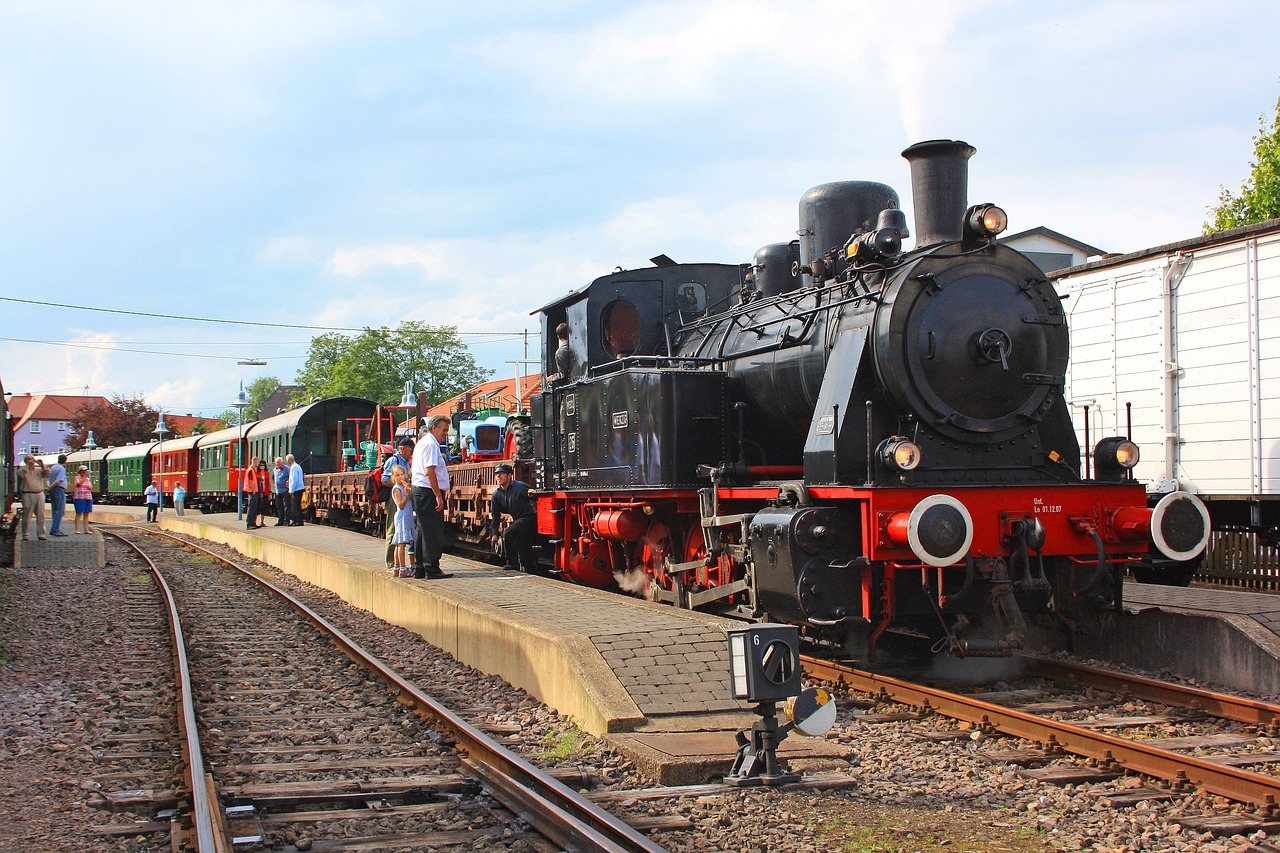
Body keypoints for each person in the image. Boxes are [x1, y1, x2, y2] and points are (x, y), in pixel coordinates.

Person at [410, 414, 453, 579]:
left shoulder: (423, 442)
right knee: (432, 531)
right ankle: (431, 568)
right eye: (444, 430)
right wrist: (438, 496)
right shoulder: (431, 444)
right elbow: (430, 471)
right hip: (427, 491)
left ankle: (419, 568)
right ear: (434, 428)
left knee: (422, 530)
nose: (445, 434)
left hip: (420, 490)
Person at [490, 462, 540, 574]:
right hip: (518, 521)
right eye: (497, 474)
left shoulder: (520, 486)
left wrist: (532, 494)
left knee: (508, 533)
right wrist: (494, 533)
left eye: (501, 474)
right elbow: (495, 515)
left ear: (509, 476)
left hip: (529, 518)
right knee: (524, 551)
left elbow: (535, 496)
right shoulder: (496, 494)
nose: (498, 476)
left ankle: (511, 563)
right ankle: (533, 572)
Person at [381, 437, 414, 568]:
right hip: (396, 497)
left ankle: (398, 564)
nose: (411, 453)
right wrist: (401, 484)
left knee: (401, 532)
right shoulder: (394, 460)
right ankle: (391, 563)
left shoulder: (405, 462)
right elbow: (384, 480)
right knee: (393, 529)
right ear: (402, 449)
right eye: (410, 450)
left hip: (404, 496)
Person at [389, 464, 415, 577]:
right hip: (402, 516)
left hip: (406, 515)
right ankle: (403, 568)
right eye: (397, 475)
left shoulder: (403, 486)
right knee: (401, 543)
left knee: (399, 543)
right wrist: (407, 494)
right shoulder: (397, 489)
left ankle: (397, 567)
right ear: (393, 477)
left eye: (402, 474)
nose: (400, 477)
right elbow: (400, 504)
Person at [16, 454, 49, 540]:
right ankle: (25, 534)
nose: (31, 461)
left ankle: (41, 534)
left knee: (41, 515)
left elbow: (46, 473)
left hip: (39, 493)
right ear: (25, 461)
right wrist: (28, 466)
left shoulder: (38, 470)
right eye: (29, 459)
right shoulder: (22, 470)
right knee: (27, 515)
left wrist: (42, 465)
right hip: (28, 494)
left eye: (32, 459)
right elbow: (21, 475)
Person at [48, 454, 68, 536]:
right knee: (60, 510)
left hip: (53, 490)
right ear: (65, 461)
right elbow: (58, 481)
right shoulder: (61, 468)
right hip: (59, 489)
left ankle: (55, 528)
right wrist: (51, 487)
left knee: (55, 510)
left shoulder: (53, 467)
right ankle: (55, 529)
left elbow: (49, 479)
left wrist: (50, 488)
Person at [286, 453, 306, 526]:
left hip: (296, 489)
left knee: (295, 506)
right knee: (296, 505)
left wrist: (291, 489)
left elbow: (294, 479)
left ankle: (298, 521)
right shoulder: (297, 466)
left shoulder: (294, 467)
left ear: (289, 460)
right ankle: (295, 520)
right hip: (299, 488)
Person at [73, 465, 93, 534]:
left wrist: (87, 487)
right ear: (80, 472)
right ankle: (77, 529)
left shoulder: (88, 479)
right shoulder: (77, 478)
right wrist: (85, 478)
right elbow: (79, 484)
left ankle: (86, 529)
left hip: (88, 497)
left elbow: (90, 487)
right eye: (83, 472)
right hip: (79, 497)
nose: (84, 473)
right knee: (79, 513)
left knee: (86, 513)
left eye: (85, 472)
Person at [243, 456, 262, 528]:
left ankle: (253, 523)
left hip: (253, 491)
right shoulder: (251, 470)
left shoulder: (252, 470)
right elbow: (251, 481)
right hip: (252, 491)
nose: (258, 463)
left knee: (254, 507)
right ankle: (249, 523)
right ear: (255, 461)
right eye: (258, 462)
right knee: (252, 507)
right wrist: (254, 490)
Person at [272, 457, 289, 525]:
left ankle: (287, 520)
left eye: (279, 462)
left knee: (286, 506)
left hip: (285, 490)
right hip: (277, 491)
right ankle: (280, 521)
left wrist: (288, 482)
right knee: (279, 507)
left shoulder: (287, 469)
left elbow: (291, 476)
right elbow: (273, 477)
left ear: (282, 462)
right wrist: (274, 484)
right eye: (277, 462)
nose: (278, 463)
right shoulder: (275, 469)